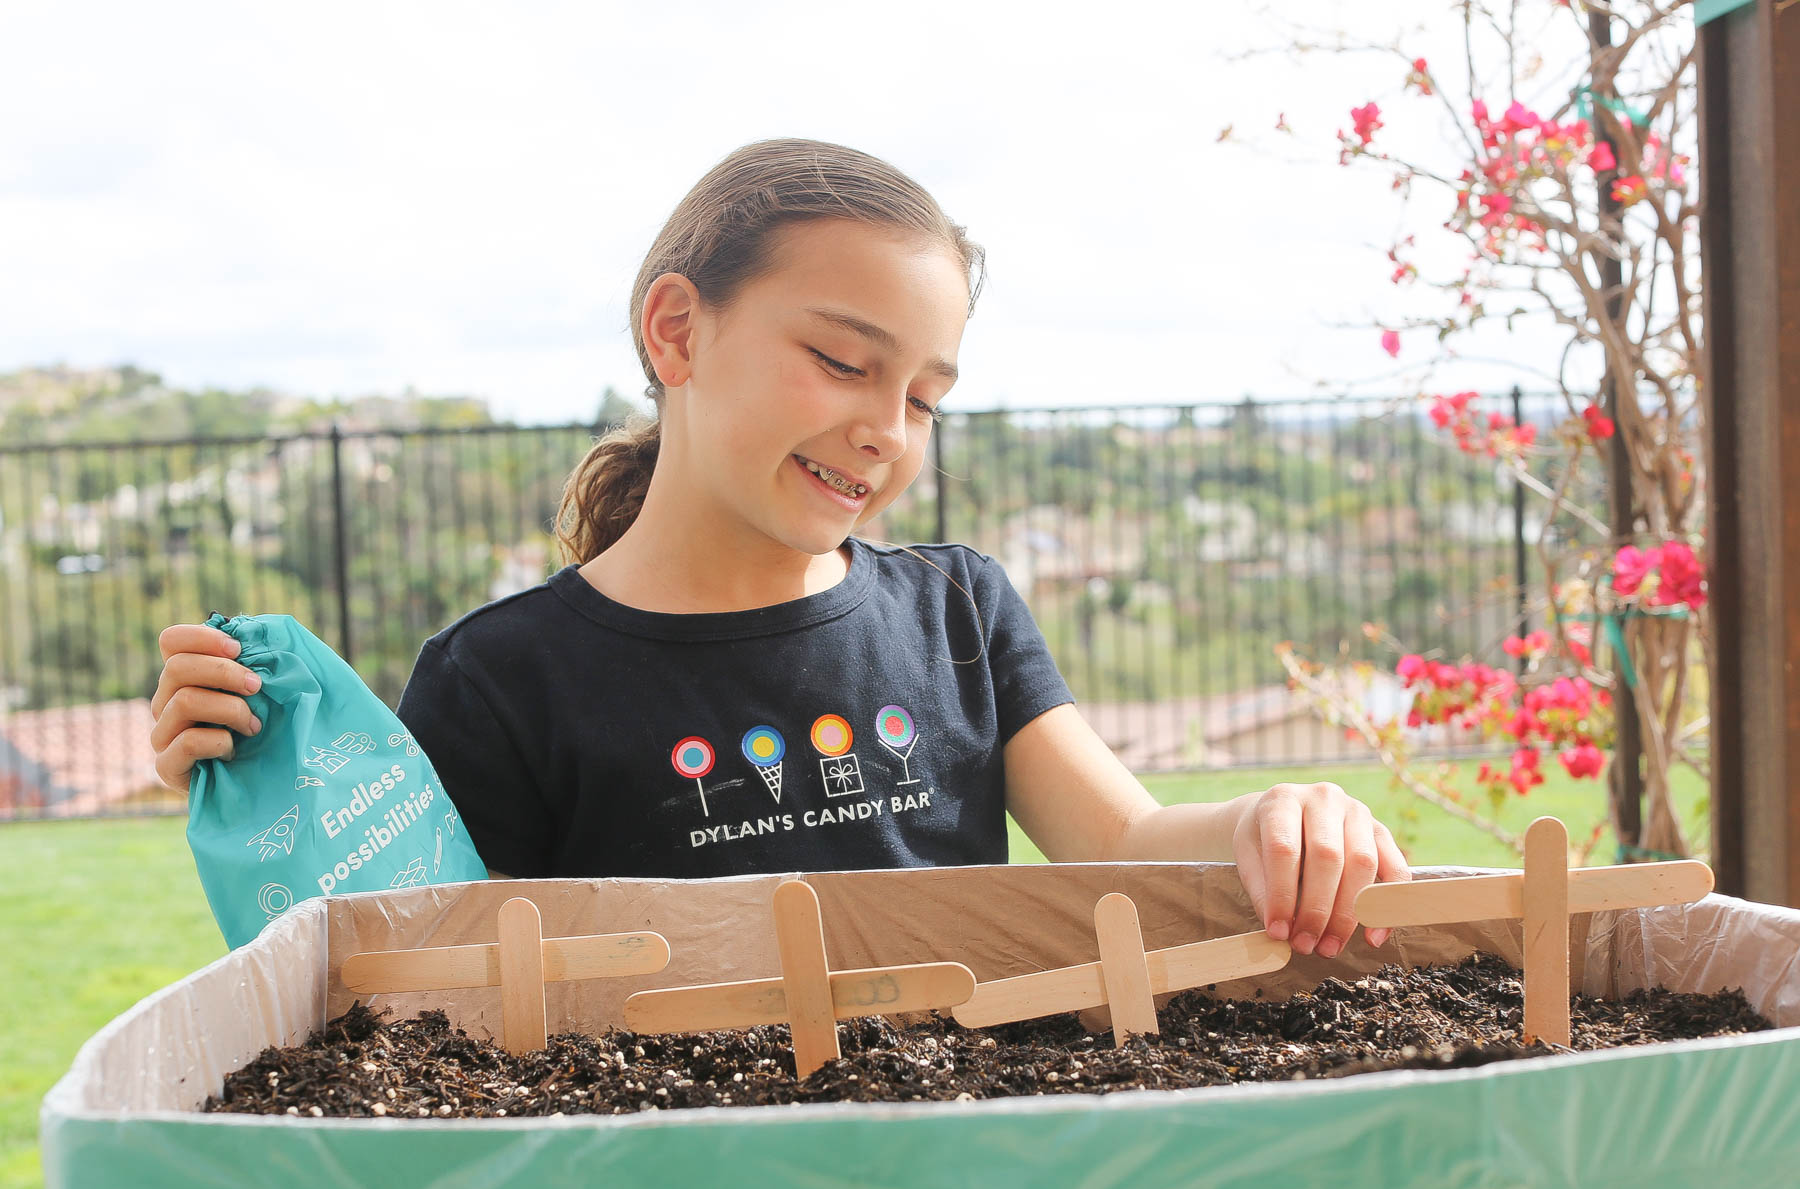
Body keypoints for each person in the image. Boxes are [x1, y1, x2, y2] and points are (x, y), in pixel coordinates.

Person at [150, 137, 1410, 961]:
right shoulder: (499, 680)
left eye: (925, 397)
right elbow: (422, 960)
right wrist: (257, 781)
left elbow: (1123, 845)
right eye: (845, 362)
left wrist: (1280, 813)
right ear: (678, 332)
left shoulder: (960, 611)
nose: (886, 430)